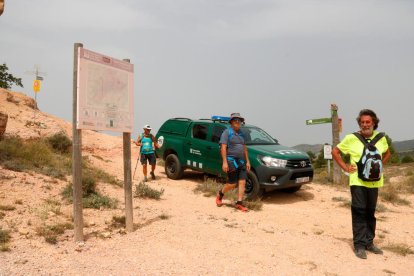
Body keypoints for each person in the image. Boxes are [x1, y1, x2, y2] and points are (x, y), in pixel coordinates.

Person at [332, 109, 391, 259]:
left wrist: (380, 167)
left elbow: (388, 153)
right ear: (360, 124)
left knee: (370, 212)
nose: (365, 125)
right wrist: (345, 167)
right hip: (357, 181)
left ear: (374, 123)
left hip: (374, 182)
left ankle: (369, 243)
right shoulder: (351, 138)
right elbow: (335, 152)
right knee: (359, 211)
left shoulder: (381, 138)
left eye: (368, 122)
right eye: (362, 122)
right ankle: (359, 245)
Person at [215, 113, 251, 212]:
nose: (238, 122)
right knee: (232, 183)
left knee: (242, 181)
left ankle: (239, 203)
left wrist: (247, 161)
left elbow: (244, 148)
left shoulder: (242, 133)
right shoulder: (227, 132)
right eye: (236, 120)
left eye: (240, 120)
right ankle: (220, 194)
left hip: (241, 161)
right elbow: (223, 147)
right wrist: (224, 162)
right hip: (231, 161)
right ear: (231, 122)